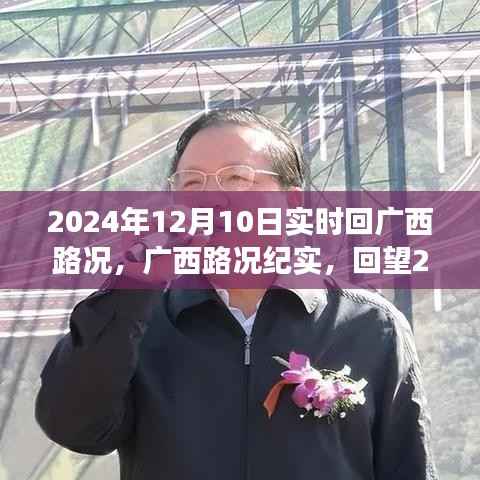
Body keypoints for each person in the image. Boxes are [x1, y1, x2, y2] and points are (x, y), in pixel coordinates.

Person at [35, 108, 439, 480]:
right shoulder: (140, 321)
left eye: (236, 177)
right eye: (192, 182)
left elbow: (408, 467)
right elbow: (74, 427)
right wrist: (131, 289)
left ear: (291, 201)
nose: (211, 198)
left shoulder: (368, 325)